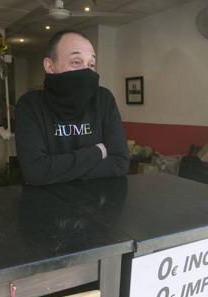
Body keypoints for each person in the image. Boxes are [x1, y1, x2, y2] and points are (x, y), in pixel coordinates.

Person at [14, 30, 129, 185]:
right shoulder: (30, 105)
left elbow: (120, 163)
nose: (86, 71)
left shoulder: (103, 99)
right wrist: (98, 151)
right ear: (49, 66)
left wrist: (58, 171)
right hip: (47, 205)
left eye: (91, 64)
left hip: (99, 204)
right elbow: (35, 171)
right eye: (76, 62)